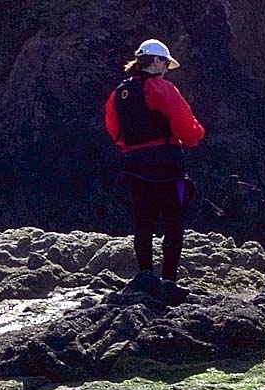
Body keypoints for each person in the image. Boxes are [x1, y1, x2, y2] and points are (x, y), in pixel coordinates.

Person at [104, 39, 205, 282]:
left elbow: (114, 130)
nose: (167, 69)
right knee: (173, 224)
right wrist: (197, 135)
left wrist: (133, 148)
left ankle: (145, 277)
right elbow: (187, 129)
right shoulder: (162, 89)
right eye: (166, 63)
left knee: (143, 224)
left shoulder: (119, 94)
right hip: (168, 168)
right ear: (157, 61)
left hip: (135, 168)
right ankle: (169, 280)